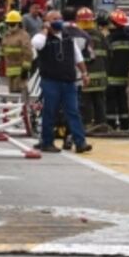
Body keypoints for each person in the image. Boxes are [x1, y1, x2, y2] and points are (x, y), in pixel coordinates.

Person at [32, 11, 92, 154]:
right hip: (50, 81)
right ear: (46, 21)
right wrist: (46, 29)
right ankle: (47, 142)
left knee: (73, 112)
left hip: (69, 81)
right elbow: (37, 44)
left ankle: (80, 142)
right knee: (49, 111)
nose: (58, 21)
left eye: (60, 18)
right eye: (54, 19)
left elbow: (78, 57)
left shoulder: (68, 37)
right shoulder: (43, 37)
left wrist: (84, 73)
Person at [78, 8, 109, 130]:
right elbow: (108, 52)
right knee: (99, 100)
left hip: (86, 75)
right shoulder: (99, 34)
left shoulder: (79, 35)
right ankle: (101, 123)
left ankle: (87, 124)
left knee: (86, 101)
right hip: (100, 75)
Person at [106, 9, 129, 131]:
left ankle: (111, 124)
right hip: (124, 75)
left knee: (111, 101)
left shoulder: (110, 39)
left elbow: (107, 57)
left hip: (111, 75)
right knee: (123, 100)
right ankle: (125, 124)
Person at [1, 10, 33, 101]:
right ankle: (14, 114)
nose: (11, 26)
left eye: (13, 24)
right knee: (12, 95)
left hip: (20, 70)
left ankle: (24, 112)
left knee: (21, 94)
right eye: (9, 24)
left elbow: (28, 52)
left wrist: (25, 69)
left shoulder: (23, 35)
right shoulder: (6, 35)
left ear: (19, 24)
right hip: (10, 70)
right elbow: (3, 50)